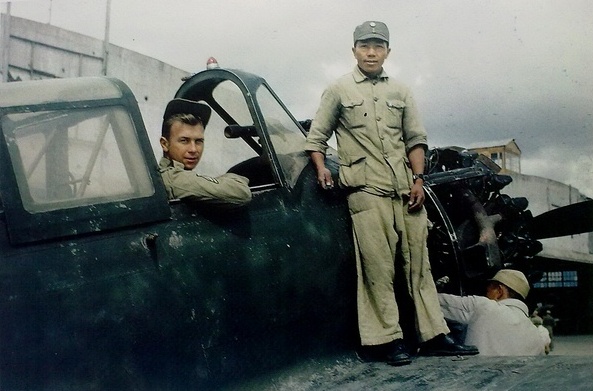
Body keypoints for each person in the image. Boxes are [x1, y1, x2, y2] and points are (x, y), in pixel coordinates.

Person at [304, 20, 478, 366]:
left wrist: (418, 179)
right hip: (366, 191)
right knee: (377, 269)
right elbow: (316, 138)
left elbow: (416, 139)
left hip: (405, 191)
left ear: (387, 51)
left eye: (378, 46)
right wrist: (322, 168)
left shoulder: (401, 91)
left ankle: (433, 335)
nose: (371, 52)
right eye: (365, 46)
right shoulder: (338, 89)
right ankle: (387, 340)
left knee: (419, 266)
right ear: (354, 50)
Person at [159, 98, 252, 207]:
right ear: (165, 144)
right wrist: (236, 179)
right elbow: (242, 193)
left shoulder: (171, 176)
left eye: (198, 141)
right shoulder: (173, 178)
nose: (193, 149)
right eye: (184, 141)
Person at [439, 269, 546, 356]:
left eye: (488, 290)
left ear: (499, 291)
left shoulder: (482, 306)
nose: (486, 294)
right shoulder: (537, 336)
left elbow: (431, 301)